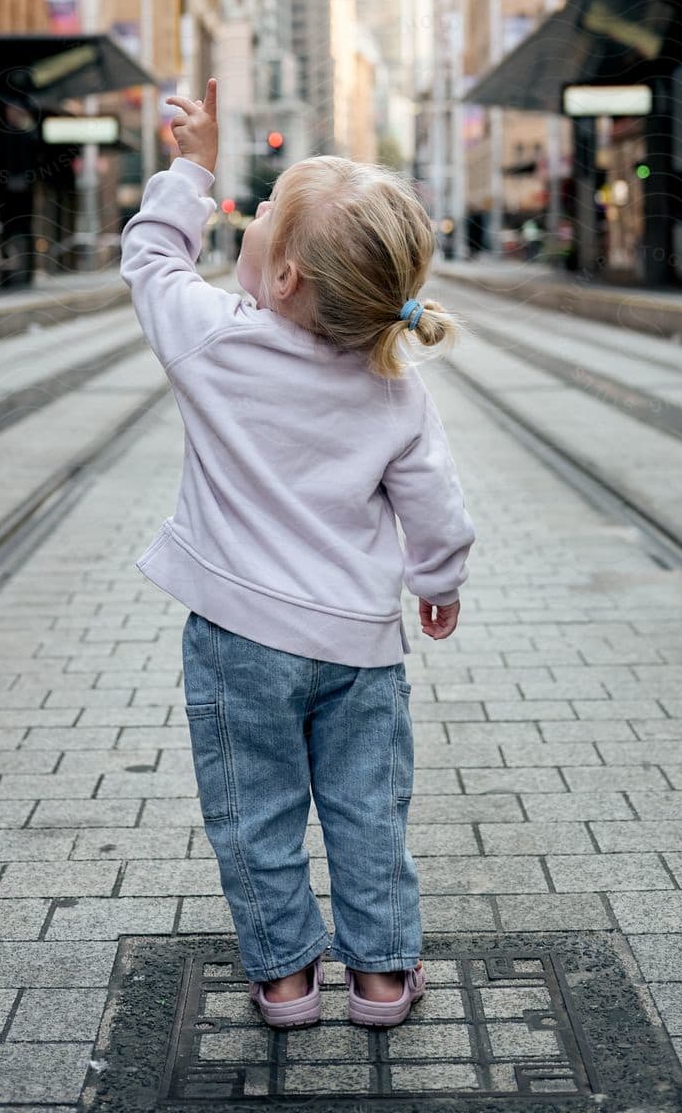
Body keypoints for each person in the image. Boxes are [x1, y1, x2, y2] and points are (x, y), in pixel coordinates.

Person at [121, 79, 474, 1034]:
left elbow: (151, 259)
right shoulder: (394, 387)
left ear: (282, 278)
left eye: (265, 208)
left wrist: (194, 168)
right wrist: (436, 584)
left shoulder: (214, 343)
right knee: (367, 813)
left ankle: (284, 983)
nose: (255, 211)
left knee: (256, 815)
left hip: (238, 641)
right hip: (361, 649)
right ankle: (384, 981)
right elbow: (436, 504)